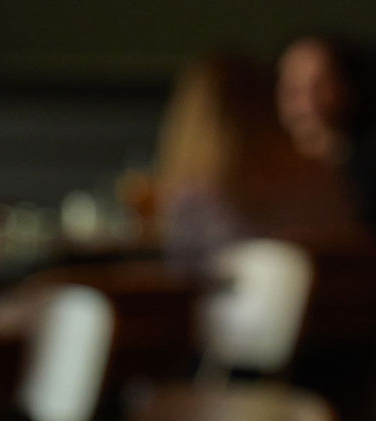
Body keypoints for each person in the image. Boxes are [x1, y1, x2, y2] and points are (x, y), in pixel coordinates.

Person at [154, 55, 360, 273]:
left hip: (233, 305)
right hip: (328, 303)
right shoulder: (324, 177)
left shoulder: (193, 198)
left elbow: (182, 277)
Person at [278, 35, 376, 228]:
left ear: (348, 90)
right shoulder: (254, 167)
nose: (305, 101)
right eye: (293, 87)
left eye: (320, 85)